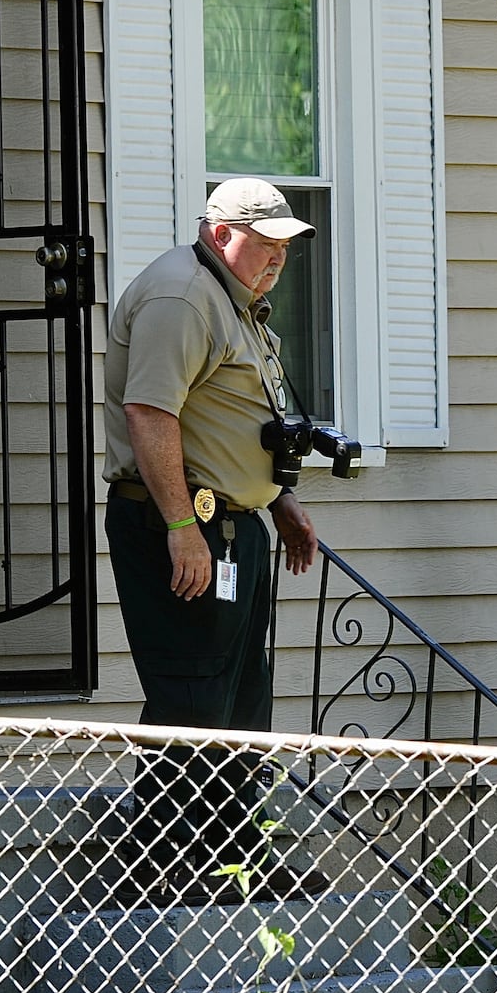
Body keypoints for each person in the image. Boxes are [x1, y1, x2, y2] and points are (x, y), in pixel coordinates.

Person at [103, 176, 330, 905]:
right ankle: (163, 864)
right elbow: (150, 414)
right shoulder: (182, 295)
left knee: (241, 698)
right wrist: (181, 527)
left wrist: (283, 500)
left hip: (234, 526)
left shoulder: (235, 302)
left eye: (284, 250)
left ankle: (236, 860)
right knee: (192, 693)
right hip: (180, 524)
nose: (276, 262)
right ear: (221, 231)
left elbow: (231, 419)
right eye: (265, 246)